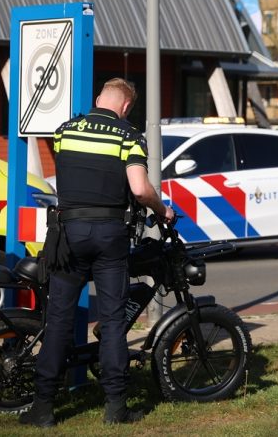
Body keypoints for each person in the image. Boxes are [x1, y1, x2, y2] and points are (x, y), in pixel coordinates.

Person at [21, 78, 174, 428]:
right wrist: (161, 209)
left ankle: (43, 407)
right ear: (125, 107)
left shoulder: (64, 131)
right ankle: (116, 407)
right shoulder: (128, 135)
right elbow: (138, 188)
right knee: (113, 319)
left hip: (67, 234)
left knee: (59, 319)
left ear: (99, 99)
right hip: (109, 235)